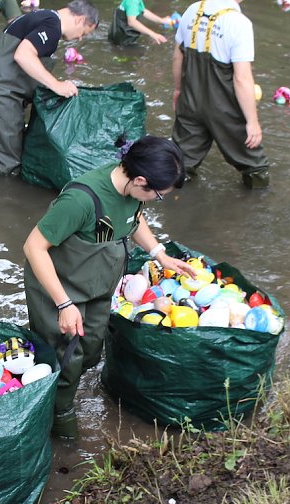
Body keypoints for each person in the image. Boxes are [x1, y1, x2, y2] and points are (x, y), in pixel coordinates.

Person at [22, 136, 198, 438]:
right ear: (140, 179)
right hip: (59, 287)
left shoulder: (132, 189)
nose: (156, 199)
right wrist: (64, 305)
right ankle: (57, 417)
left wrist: (160, 254)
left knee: (90, 350)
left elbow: (134, 218)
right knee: (65, 355)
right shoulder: (80, 200)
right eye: (158, 194)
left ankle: (58, 389)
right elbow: (34, 247)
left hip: (96, 283)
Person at [0, 0, 99, 176]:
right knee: (10, 164)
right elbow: (23, 55)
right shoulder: (52, 26)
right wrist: (57, 85)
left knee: (11, 146)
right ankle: (5, 198)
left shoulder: (41, 16)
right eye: (84, 32)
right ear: (80, 19)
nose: (80, 38)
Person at [171, 0, 270, 188]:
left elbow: (178, 57)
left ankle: (175, 204)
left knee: (180, 163)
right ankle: (255, 206)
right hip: (224, 108)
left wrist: (178, 90)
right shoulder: (239, 23)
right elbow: (242, 79)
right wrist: (252, 121)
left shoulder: (192, 10)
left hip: (189, 100)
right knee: (254, 166)